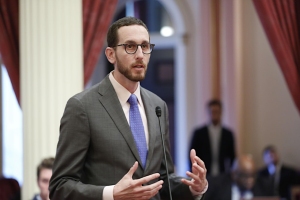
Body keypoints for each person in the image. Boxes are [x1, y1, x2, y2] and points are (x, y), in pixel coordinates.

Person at [49, 17, 208, 200]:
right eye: (130, 47)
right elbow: (60, 187)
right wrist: (111, 194)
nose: (140, 54)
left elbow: (163, 181)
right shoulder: (82, 106)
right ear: (110, 55)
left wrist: (194, 188)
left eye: (145, 46)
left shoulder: (158, 106)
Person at [189, 99, 235, 176]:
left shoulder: (228, 134)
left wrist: (230, 173)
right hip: (204, 173)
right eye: (212, 112)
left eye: (217, 112)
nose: (214, 114)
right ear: (208, 113)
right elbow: (192, 155)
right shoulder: (199, 133)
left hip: (222, 174)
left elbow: (232, 157)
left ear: (221, 112)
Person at [205, 154, 276, 200]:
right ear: (234, 174)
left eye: (253, 175)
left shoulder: (265, 187)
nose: (250, 180)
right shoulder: (217, 185)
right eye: (245, 176)